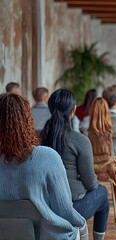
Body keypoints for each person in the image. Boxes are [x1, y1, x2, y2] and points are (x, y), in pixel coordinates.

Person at [0, 93, 87, 240]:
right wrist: (82, 223)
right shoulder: (48, 158)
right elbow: (64, 210)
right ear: (28, 119)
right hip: (47, 235)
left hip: (5, 234)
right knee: (80, 227)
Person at [40, 89, 109, 240]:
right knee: (102, 193)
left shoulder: (40, 137)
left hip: (42, 205)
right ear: (74, 110)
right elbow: (91, 183)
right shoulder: (80, 141)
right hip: (71, 207)